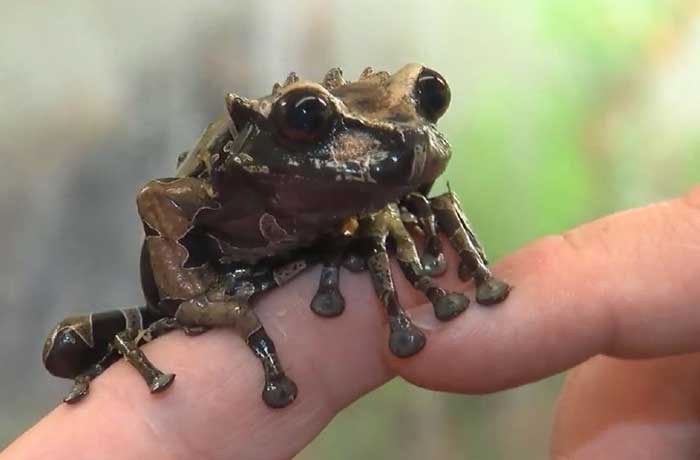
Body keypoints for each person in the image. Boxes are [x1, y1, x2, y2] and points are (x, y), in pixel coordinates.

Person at [3, 186, 700, 460]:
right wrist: (189, 300)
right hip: (181, 302)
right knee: (65, 343)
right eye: (311, 119)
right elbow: (157, 198)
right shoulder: (224, 190)